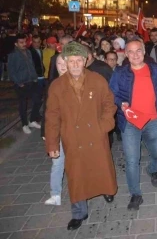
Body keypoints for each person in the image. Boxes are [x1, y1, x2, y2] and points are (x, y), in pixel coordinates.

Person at [45, 42, 117, 230]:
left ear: (85, 61)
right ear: (66, 63)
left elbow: (109, 103)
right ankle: (79, 212)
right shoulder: (57, 86)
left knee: (100, 168)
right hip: (72, 138)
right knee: (77, 176)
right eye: (72, 61)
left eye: (79, 60)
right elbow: (52, 117)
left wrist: (105, 124)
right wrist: (52, 144)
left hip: (96, 134)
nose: (76, 64)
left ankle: (105, 190)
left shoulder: (97, 80)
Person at [110, 38, 157, 210]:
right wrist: (120, 102)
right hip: (130, 122)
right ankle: (135, 194)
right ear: (126, 54)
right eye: (131, 51)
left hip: (152, 120)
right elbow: (112, 93)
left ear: (144, 52)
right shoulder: (120, 73)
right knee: (132, 160)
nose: (135, 54)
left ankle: (152, 170)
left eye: (138, 50)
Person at [43, 54, 68, 206]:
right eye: (59, 63)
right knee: (57, 163)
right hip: (57, 131)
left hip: (74, 131)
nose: (63, 65)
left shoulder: (78, 82)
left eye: (65, 62)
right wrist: (46, 135)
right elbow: (46, 112)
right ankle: (55, 194)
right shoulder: (53, 85)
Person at [7, 34, 43, 134]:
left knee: (37, 100)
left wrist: (35, 77)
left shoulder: (28, 52)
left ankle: (32, 120)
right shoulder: (13, 55)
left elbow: (31, 65)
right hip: (21, 83)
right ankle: (24, 124)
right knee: (23, 104)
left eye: (25, 42)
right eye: (21, 42)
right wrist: (18, 82)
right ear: (16, 44)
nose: (24, 44)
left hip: (31, 81)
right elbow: (11, 71)